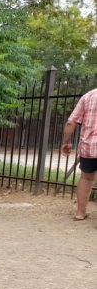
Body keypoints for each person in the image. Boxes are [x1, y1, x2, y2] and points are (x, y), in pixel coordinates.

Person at [62, 88, 97, 220]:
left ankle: (80, 213)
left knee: (86, 178)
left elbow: (71, 122)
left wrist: (66, 142)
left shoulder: (88, 96)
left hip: (89, 147)